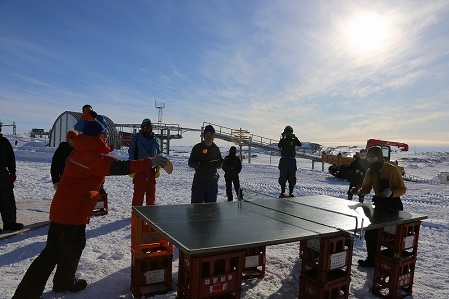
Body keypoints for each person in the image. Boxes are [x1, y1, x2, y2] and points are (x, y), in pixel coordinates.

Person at [12, 120, 168, 299]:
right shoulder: (92, 156)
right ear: (97, 135)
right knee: (51, 254)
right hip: (68, 213)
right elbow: (122, 167)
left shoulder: (84, 151)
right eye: (104, 133)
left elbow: (90, 176)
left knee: (76, 244)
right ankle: (24, 296)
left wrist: (96, 192)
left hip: (73, 211)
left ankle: (64, 281)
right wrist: (151, 161)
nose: (107, 136)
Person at [354, 146, 406, 267]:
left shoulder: (392, 170)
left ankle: (392, 261)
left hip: (393, 206)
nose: (370, 159)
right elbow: (367, 187)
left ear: (379, 157)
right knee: (371, 233)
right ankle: (372, 259)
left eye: (372, 156)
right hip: (379, 205)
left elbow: (402, 189)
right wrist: (360, 191)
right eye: (368, 157)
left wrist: (392, 192)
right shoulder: (370, 171)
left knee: (391, 235)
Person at [128, 118, 161, 206]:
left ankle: (150, 215)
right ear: (142, 128)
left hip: (151, 171)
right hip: (139, 170)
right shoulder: (136, 139)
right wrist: (131, 168)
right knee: (138, 195)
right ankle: (136, 216)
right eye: (146, 127)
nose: (148, 129)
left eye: (150, 127)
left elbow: (159, 155)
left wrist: (158, 168)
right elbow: (131, 153)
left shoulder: (156, 141)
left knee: (151, 195)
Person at [188, 125, 223, 203]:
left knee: (211, 209)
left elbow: (220, 164)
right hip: (199, 182)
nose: (209, 136)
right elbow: (190, 163)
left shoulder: (216, 149)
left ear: (214, 136)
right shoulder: (197, 148)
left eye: (211, 134)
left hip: (212, 183)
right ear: (204, 135)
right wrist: (199, 164)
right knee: (196, 208)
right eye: (207, 134)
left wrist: (218, 164)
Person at [0, 120, 23, 232]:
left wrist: (12, 171)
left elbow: (10, 158)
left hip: (3, 175)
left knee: (7, 200)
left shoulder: (4, 142)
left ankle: (10, 223)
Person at [277, 125, 302, 198]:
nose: (288, 133)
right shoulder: (283, 139)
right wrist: (282, 138)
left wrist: (295, 138)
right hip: (284, 159)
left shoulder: (293, 139)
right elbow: (279, 146)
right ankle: (282, 192)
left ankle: (291, 192)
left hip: (291, 160)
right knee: (283, 177)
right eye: (287, 132)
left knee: (292, 177)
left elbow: (299, 144)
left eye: (289, 132)